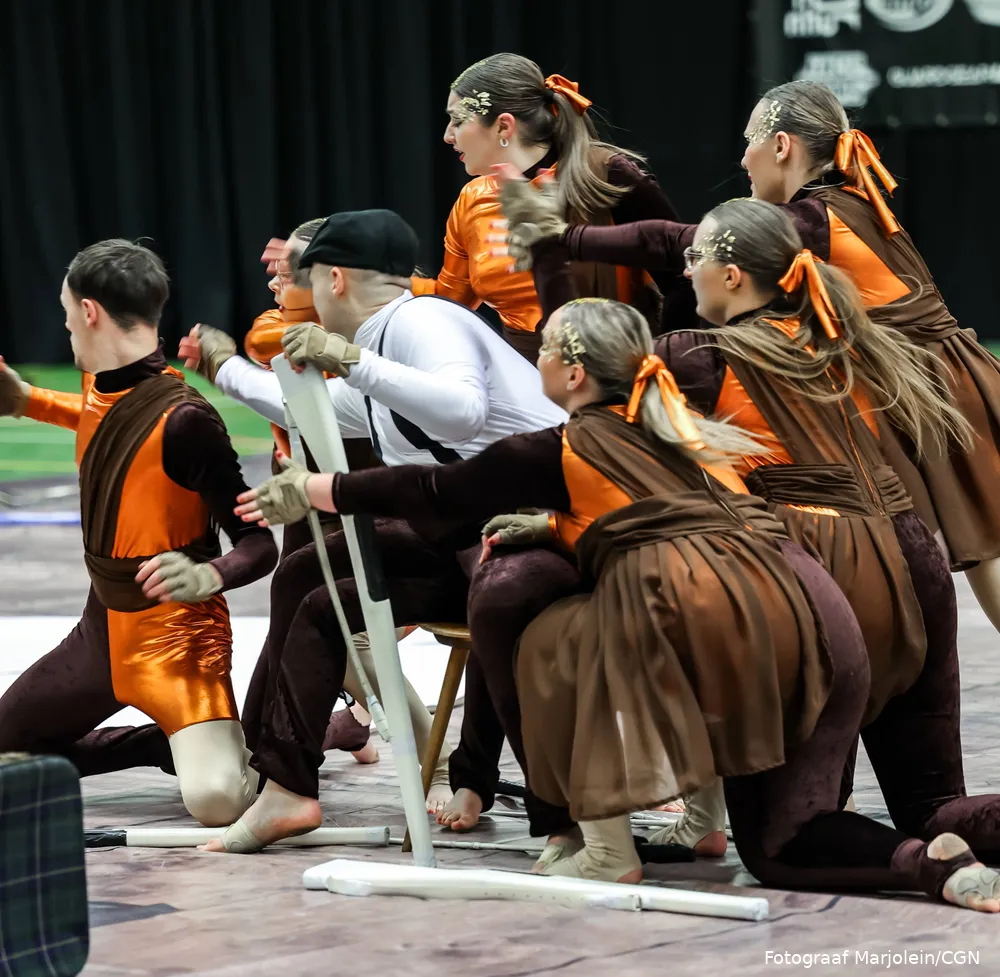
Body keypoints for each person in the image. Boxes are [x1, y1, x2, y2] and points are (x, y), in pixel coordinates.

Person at [223, 298, 1000, 913]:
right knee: (783, 843)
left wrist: (314, 488)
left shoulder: (561, 445)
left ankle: (601, 840)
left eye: (546, 351)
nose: (537, 361)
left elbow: (435, 492)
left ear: (566, 368)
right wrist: (561, 522)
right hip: (820, 615)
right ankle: (924, 859)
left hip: (727, 617)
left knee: (551, 638)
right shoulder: (679, 422)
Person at [509, 191, 1000, 865]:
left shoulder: (698, 355)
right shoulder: (851, 335)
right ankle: (946, 841)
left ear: (733, 275)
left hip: (821, 571)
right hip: (911, 562)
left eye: (696, 258)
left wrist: (546, 254)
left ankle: (928, 867)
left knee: (784, 840)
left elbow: (589, 383)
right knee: (932, 803)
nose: (687, 271)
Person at [499, 79, 1000, 636]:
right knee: (979, 548)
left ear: (781, 146)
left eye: (749, 142)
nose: (742, 158)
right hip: (940, 377)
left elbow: (675, 242)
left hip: (934, 385)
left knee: (985, 550)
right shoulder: (844, 202)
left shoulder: (811, 219)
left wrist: (563, 238)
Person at [184, 208, 575, 839]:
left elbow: (462, 413)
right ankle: (283, 781)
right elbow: (314, 409)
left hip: (545, 533)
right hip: (464, 540)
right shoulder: (382, 341)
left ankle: (542, 809)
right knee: (310, 580)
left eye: (306, 281)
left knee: (491, 597)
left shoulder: (424, 319)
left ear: (334, 280)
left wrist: (350, 359)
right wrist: (223, 367)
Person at [0, 239, 277, 826]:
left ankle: (323, 731)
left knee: (219, 802)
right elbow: (104, 422)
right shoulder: (101, 383)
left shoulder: (188, 421)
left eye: (67, 310)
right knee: (5, 752)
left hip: (177, 642)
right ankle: (159, 746)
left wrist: (208, 574)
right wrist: (27, 400)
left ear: (91, 311)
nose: (66, 324)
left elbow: (259, 545)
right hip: (101, 632)